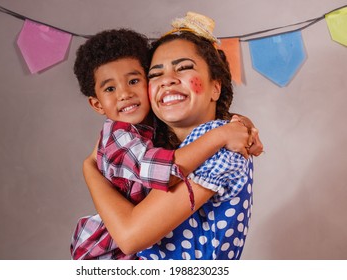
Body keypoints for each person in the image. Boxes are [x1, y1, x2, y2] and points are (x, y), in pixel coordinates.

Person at [82, 12, 263, 260]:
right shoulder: (157, 138)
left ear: (215, 87)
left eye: (184, 68)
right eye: (156, 74)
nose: (167, 81)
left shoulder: (217, 144)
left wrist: (89, 169)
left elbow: (130, 237)